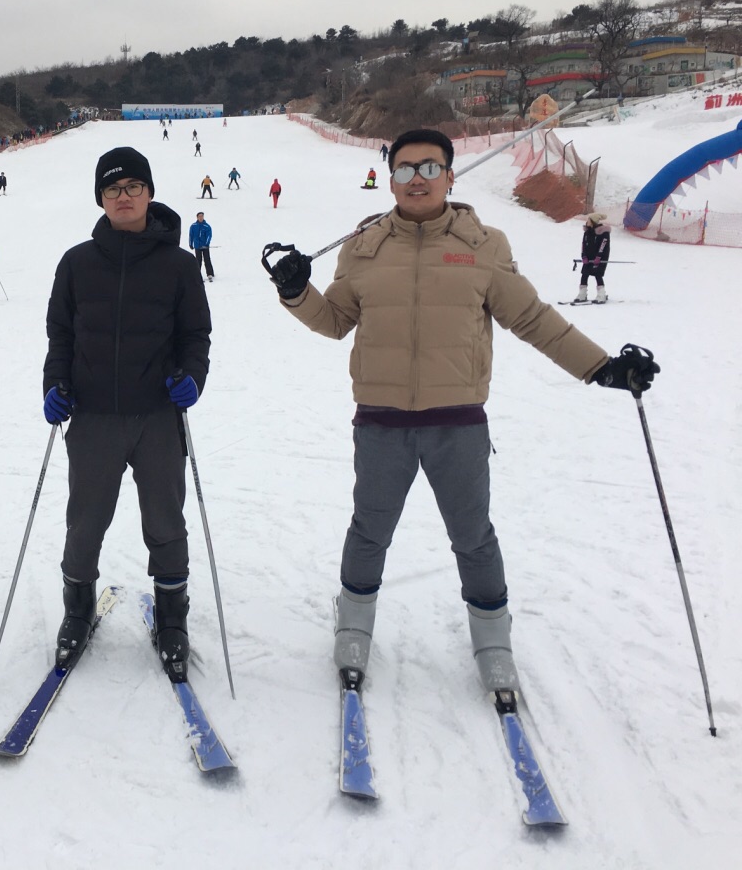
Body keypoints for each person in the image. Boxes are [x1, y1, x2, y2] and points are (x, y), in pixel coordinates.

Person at [263, 128, 660, 697]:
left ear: (451, 176)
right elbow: (333, 322)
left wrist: (600, 367)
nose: (416, 179)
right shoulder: (364, 247)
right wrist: (297, 291)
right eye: (404, 169)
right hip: (381, 422)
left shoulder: (483, 244)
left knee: (473, 536)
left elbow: (532, 319)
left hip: (458, 423)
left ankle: (493, 640)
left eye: (429, 167)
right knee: (369, 530)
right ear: (390, 178)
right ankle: (353, 626)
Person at [42, 147, 212, 682]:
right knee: (84, 523)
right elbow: (60, 334)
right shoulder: (76, 262)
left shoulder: (180, 265)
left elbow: (195, 337)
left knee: (165, 523)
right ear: (101, 197)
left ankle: (171, 620)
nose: (124, 196)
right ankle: (77, 611)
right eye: (114, 189)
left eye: (133, 187)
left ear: (149, 194)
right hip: (92, 417)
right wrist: (55, 384)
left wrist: (192, 379)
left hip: (158, 417)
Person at [575, 212, 611, 304]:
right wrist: (584, 256)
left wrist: (599, 256)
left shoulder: (603, 232)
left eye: (588, 220)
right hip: (588, 258)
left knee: (597, 274)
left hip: (600, 258)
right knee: (584, 274)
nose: (587, 221)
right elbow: (583, 244)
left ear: (593, 221)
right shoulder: (587, 232)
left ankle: (601, 295)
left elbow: (603, 245)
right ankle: (582, 295)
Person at [189, 211, 214, 282]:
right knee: (198, 261)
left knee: (207, 260)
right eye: (199, 216)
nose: (201, 217)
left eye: (202, 216)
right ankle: (197, 274)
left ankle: (210, 274)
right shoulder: (193, 226)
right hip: (197, 247)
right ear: (197, 217)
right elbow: (191, 236)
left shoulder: (207, 226)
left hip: (205, 247)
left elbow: (209, 236)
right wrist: (191, 244)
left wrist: (206, 244)